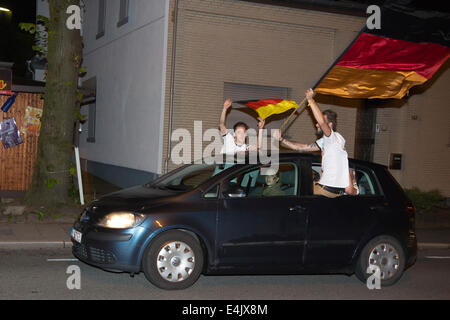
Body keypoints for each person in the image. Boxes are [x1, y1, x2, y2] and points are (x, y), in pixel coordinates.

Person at [273, 88, 351, 198]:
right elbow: (301, 148)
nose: (316, 125)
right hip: (330, 190)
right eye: (317, 123)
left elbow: (322, 122)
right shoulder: (328, 142)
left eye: (319, 123)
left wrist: (310, 100)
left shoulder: (333, 138)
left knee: (290, 195)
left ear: (330, 125)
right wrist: (281, 139)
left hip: (327, 190)